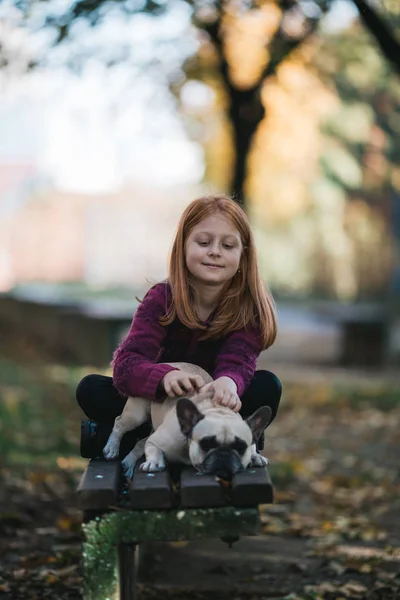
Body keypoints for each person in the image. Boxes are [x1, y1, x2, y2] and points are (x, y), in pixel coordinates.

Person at [76, 194, 282, 458]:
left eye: (228, 245)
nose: (215, 251)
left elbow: (238, 359)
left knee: (267, 387)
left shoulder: (247, 309)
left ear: (244, 256)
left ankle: (229, 441)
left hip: (214, 405)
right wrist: (163, 377)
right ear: (183, 246)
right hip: (158, 404)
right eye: (204, 242)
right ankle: (151, 437)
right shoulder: (161, 298)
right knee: (92, 388)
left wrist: (229, 382)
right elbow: (127, 364)